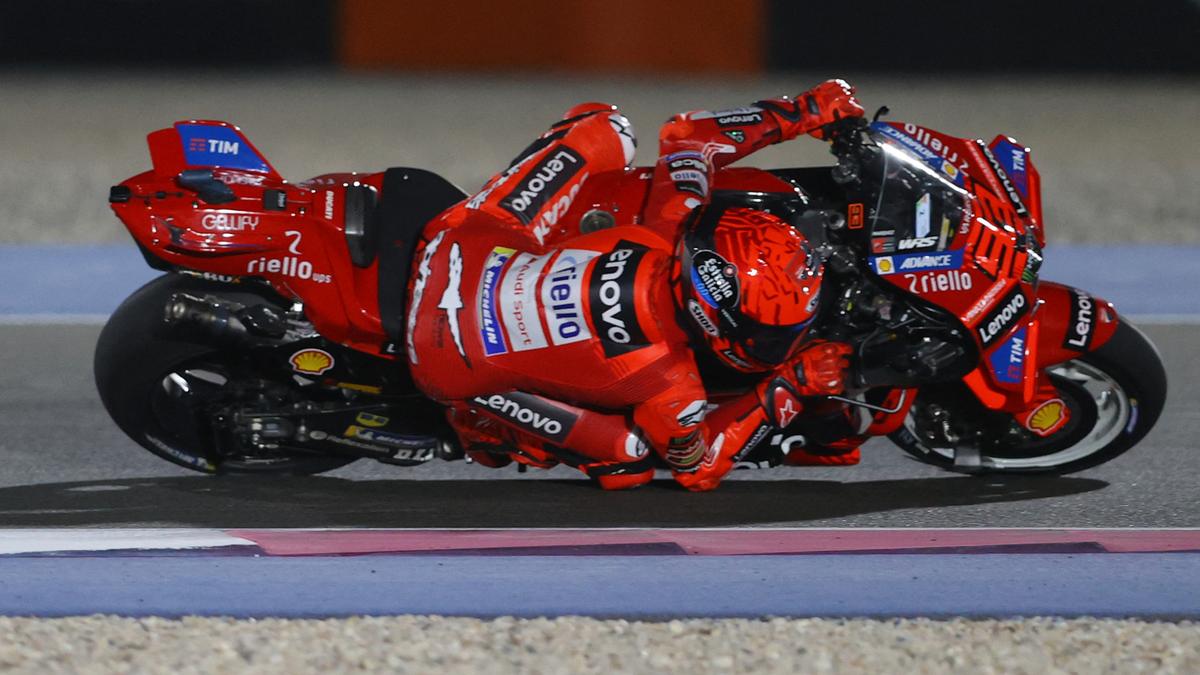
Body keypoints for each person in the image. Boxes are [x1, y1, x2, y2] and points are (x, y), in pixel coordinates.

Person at [405, 79, 864, 491]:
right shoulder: (672, 386)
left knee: (607, 126)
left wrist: (804, 111)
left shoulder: (673, 221)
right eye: (767, 332)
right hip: (443, 362)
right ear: (713, 318)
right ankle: (481, 424)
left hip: (454, 246)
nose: (777, 342)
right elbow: (697, 467)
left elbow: (688, 134)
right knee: (629, 458)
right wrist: (789, 384)